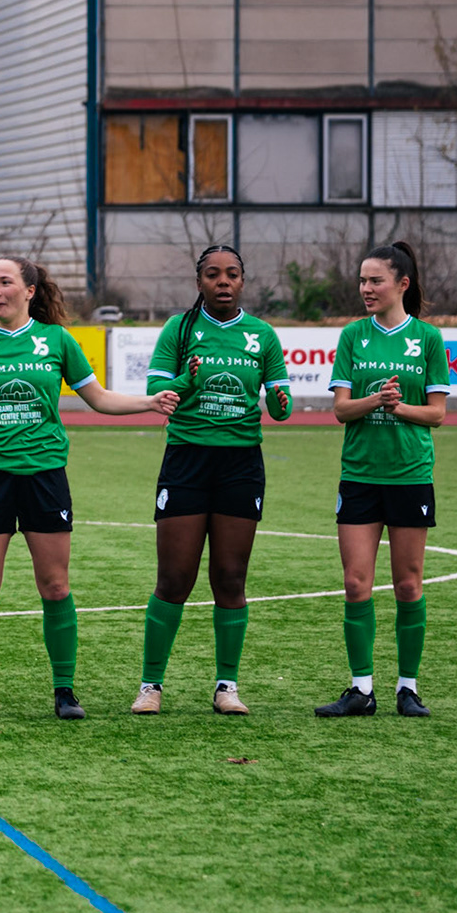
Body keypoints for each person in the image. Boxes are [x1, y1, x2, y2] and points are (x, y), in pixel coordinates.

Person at [0, 256, 178, 721]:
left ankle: (65, 691)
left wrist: (148, 401)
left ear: (29, 290)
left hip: (46, 475)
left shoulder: (57, 341)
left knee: (55, 585)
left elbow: (99, 398)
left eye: (5, 282)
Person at [134, 245, 292, 716]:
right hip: (187, 461)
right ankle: (151, 685)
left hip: (241, 465)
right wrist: (186, 379)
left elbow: (280, 399)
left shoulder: (262, 335)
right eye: (212, 275)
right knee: (175, 578)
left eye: (232, 274)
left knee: (230, 577)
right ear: (198, 281)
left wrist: (280, 401)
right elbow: (157, 395)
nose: (223, 282)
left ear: (243, 281)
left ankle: (227, 687)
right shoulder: (179, 330)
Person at [318, 240, 447, 719]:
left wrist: (399, 407)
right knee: (356, 584)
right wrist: (375, 402)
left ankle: (408, 689)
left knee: (409, 585)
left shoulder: (428, 339)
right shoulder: (353, 335)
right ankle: (361, 689)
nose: (365, 288)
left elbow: (436, 415)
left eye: (375, 280)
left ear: (402, 284)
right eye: (362, 280)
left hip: (411, 475)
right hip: (360, 476)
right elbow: (340, 410)